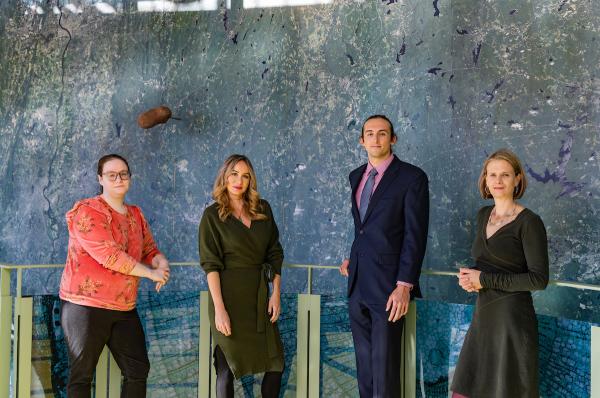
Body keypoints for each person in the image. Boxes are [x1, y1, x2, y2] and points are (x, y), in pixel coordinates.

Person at [59, 154, 170, 398]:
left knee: (137, 370)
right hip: (85, 306)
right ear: (101, 179)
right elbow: (111, 256)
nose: (118, 178)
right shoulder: (87, 210)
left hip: (123, 307)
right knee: (82, 376)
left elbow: (149, 248)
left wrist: (160, 262)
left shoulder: (135, 214)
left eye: (123, 173)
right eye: (111, 175)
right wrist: (152, 274)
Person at [339, 115, 429, 397]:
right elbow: (364, 229)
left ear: (393, 139)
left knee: (385, 371)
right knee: (365, 369)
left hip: (390, 289)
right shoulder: (356, 176)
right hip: (358, 284)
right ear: (361, 140)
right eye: (370, 134)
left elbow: (415, 235)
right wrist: (355, 258)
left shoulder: (412, 178)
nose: (375, 139)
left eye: (382, 133)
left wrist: (404, 285)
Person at [451, 148, 549, 398]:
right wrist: (471, 278)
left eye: (505, 175)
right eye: (492, 174)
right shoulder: (483, 215)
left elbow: (538, 279)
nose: (497, 181)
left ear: (517, 179)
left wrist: (483, 279)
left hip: (512, 321)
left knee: (504, 391)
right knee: (467, 389)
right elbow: (486, 264)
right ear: (485, 179)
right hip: (483, 316)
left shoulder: (529, 222)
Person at [198, 154, 284, 398]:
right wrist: (220, 309)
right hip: (227, 299)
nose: (239, 180)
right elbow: (210, 266)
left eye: (245, 176)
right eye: (234, 174)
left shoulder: (263, 209)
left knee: (276, 364)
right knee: (226, 368)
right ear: (224, 177)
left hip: (259, 298)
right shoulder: (212, 216)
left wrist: (276, 293)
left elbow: (275, 254)